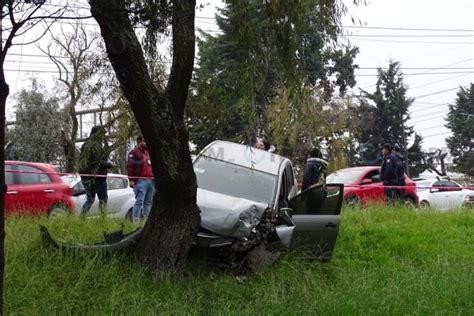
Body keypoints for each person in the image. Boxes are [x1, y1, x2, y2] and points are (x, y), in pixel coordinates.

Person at [78, 126, 115, 216]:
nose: (103, 136)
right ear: (97, 134)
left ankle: (81, 219)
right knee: (103, 200)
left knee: (90, 200)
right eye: (102, 134)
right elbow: (97, 161)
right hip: (97, 177)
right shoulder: (95, 145)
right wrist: (109, 164)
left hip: (85, 176)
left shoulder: (85, 144)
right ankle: (102, 220)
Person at [127, 135, 155, 223]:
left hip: (151, 180)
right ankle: (135, 221)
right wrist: (131, 180)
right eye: (144, 141)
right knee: (139, 201)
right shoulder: (134, 153)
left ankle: (147, 221)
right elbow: (130, 167)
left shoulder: (148, 152)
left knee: (148, 202)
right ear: (139, 142)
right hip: (140, 181)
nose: (146, 143)